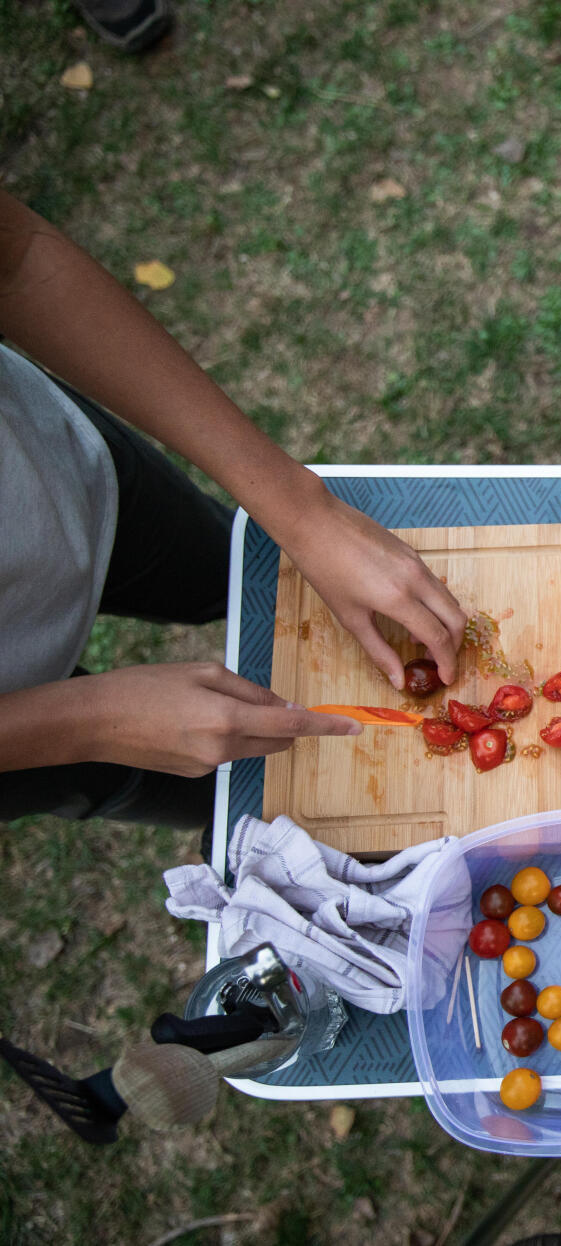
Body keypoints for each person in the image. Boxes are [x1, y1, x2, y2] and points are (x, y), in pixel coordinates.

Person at [0, 189, 466, 828]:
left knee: (232, 577)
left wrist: (301, 511)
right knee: (225, 795)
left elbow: (17, 258)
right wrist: (84, 724)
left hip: (61, 472)